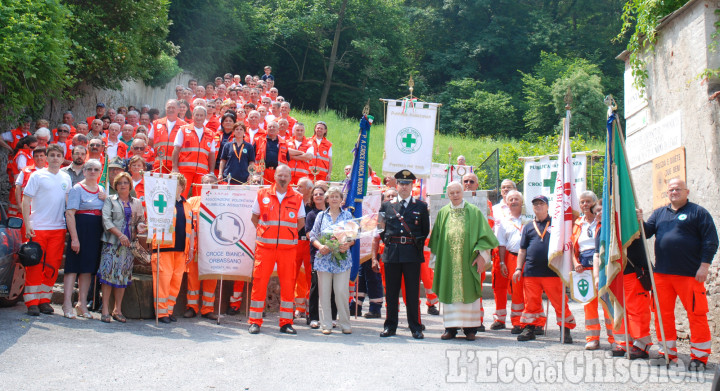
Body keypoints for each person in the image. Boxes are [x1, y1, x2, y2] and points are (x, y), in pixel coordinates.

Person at [638, 178, 718, 370]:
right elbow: (647, 232)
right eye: (671, 190)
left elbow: (711, 241)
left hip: (690, 274)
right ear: (667, 193)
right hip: (662, 275)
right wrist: (639, 220)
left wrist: (704, 266)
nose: (674, 192)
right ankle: (667, 352)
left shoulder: (698, 213)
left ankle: (699, 357)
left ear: (687, 191)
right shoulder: (659, 213)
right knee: (661, 315)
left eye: (678, 189)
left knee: (696, 314)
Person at [429, 182, 499, 340]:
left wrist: (482, 255)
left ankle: (470, 329)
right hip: (448, 262)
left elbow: (484, 236)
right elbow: (437, 239)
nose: (455, 195)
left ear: (462, 193)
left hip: (468, 261)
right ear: (448, 195)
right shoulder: (443, 213)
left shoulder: (474, 212)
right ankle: (450, 328)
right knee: (449, 293)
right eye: (451, 193)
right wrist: (436, 262)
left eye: (457, 192)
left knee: (469, 293)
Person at [248, 165, 305, 334]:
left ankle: (286, 322)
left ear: (290, 178)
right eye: (280, 175)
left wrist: (287, 234)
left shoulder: (298, 197)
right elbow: (254, 217)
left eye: (286, 176)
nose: (282, 178)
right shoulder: (262, 194)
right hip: (265, 247)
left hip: (288, 249)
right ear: (274, 176)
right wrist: (266, 232)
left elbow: (300, 222)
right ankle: (255, 321)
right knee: (259, 283)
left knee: (288, 285)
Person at [374, 170, 430, 339]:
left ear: (412, 185)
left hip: (412, 254)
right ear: (396, 185)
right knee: (391, 292)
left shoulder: (420, 206)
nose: (404, 187)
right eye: (401, 184)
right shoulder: (386, 206)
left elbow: (424, 230)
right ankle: (390, 326)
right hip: (392, 253)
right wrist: (392, 243)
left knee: (412, 293)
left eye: (407, 184)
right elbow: (380, 229)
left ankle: (415, 327)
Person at [513, 195, 576, 342]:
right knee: (531, 303)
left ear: (547, 206)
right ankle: (530, 328)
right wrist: (518, 268)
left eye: (541, 204)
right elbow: (522, 250)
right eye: (535, 204)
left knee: (560, 302)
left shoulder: (556, 224)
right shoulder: (528, 226)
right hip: (531, 271)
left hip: (552, 271)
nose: (538, 206)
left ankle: (565, 330)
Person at [21, 144, 72, 316]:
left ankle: (44, 300)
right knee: (35, 264)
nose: (55, 158)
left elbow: (68, 203)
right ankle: (32, 301)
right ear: (47, 157)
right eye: (52, 155)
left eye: (59, 155)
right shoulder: (37, 175)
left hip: (58, 228)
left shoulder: (66, 178)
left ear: (63, 159)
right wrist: (27, 224)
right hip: (39, 227)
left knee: (52, 265)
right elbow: (26, 200)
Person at [98, 172, 145, 323]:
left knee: (123, 276)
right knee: (107, 276)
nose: (123, 185)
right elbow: (106, 220)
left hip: (128, 246)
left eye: (125, 182)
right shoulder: (110, 201)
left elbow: (140, 220)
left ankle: (117, 309)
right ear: (115, 186)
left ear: (130, 185)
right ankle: (105, 309)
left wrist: (140, 226)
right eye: (119, 183)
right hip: (112, 243)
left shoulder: (137, 202)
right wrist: (120, 235)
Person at [570, 191, 614, 350]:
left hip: (601, 267)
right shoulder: (577, 223)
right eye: (582, 202)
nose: (585, 204)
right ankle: (592, 338)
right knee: (589, 305)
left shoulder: (603, 222)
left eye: (588, 201)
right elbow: (573, 247)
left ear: (595, 203)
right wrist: (575, 263)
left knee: (607, 303)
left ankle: (614, 338)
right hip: (583, 268)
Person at [308, 186, 355, 334]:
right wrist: (320, 246)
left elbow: (353, 235)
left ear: (341, 200)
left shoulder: (347, 216)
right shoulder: (321, 216)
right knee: (324, 292)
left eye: (337, 196)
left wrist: (347, 244)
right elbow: (313, 235)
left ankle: (345, 324)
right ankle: (326, 324)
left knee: (341, 291)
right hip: (324, 260)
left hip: (342, 260)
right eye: (331, 196)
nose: (334, 199)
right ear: (327, 199)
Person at [64, 159, 106, 319]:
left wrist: (106, 198)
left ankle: (81, 304)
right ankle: (67, 303)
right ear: (84, 171)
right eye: (89, 169)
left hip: (95, 233)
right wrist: (74, 238)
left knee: (88, 269)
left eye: (96, 169)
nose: (93, 172)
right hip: (80, 230)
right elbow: (70, 214)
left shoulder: (101, 189)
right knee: (73, 268)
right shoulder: (77, 189)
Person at [151, 174, 192, 324]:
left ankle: (169, 310)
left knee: (175, 282)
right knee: (163, 281)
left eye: (176, 184)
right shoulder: (161, 202)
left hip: (181, 250)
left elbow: (191, 229)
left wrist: (191, 248)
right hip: (164, 248)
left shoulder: (188, 206)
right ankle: (161, 313)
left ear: (182, 187)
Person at [185, 174, 219, 320]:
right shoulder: (192, 201)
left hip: (213, 246)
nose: (209, 185)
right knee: (193, 276)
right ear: (201, 185)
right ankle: (191, 307)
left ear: (217, 186)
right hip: (195, 245)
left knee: (211, 277)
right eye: (206, 183)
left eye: (212, 183)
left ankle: (207, 309)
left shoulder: (221, 203)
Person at [303, 186, 337, 328]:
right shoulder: (311, 215)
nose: (318, 196)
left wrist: (333, 243)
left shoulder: (333, 213)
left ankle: (333, 317)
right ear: (312, 198)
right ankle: (313, 317)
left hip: (335, 254)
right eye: (315, 194)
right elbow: (309, 234)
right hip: (317, 254)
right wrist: (323, 244)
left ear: (326, 196)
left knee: (334, 287)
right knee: (316, 286)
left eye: (321, 194)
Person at [492, 190, 526, 334]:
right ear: (506, 202)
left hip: (527, 258)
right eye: (511, 199)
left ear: (522, 202)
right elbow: (501, 243)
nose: (513, 201)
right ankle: (515, 322)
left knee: (525, 289)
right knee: (514, 288)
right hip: (510, 257)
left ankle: (525, 321)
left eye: (516, 199)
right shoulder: (504, 222)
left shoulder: (528, 219)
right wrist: (502, 262)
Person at [489, 178, 519, 330]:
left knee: (516, 286)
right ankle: (499, 318)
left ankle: (518, 320)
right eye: (503, 188)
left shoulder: (520, 206)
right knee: (498, 285)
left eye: (509, 187)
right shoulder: (494, 209)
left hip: (514, 251)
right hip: (497, 249)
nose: (505, 190)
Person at [172, 106, 216, 198]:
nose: (199, 118)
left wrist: (211, 172)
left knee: (199, 198)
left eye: (201, 115)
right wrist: (174, 167)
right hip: (184, 170)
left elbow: (212, 154)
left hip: (202, 172)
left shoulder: (211, 134)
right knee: (180, 196)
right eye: (197, 115)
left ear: (205, 117)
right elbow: (176, 150)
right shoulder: (183, 129)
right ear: (193, 116)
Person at [293, 177, 314, 318]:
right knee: (292, 276)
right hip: (295, 243)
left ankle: (309, 310)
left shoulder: (314, 204)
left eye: (300, 186)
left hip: (310, 244)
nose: (297, 188)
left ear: (308, 189)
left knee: (310, 278)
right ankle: (294, 308)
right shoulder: (294, 202)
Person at [150, 99, 186, 173]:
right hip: (159, 163)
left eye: (173, 108)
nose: (170, 110)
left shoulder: (184, 126)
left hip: (176, 165)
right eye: (168, 107)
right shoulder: (156, 123)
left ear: (178, 110)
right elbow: (150, 140)